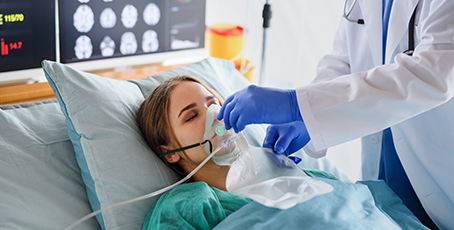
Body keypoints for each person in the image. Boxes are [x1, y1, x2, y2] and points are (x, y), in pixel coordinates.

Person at [217, 1, 454, 229]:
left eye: (209, 101)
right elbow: (345, 58)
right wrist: (306, 116)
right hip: (389, 187)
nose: (212, 115)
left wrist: (296, 103)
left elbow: (433, 73)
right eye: (189, 115)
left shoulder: (320, 181)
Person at [136, 75, 340, 229]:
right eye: (191, 116)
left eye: (213, 103)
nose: (215, 116)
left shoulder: (294, 175)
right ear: (170, 152)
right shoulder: (185, 207)